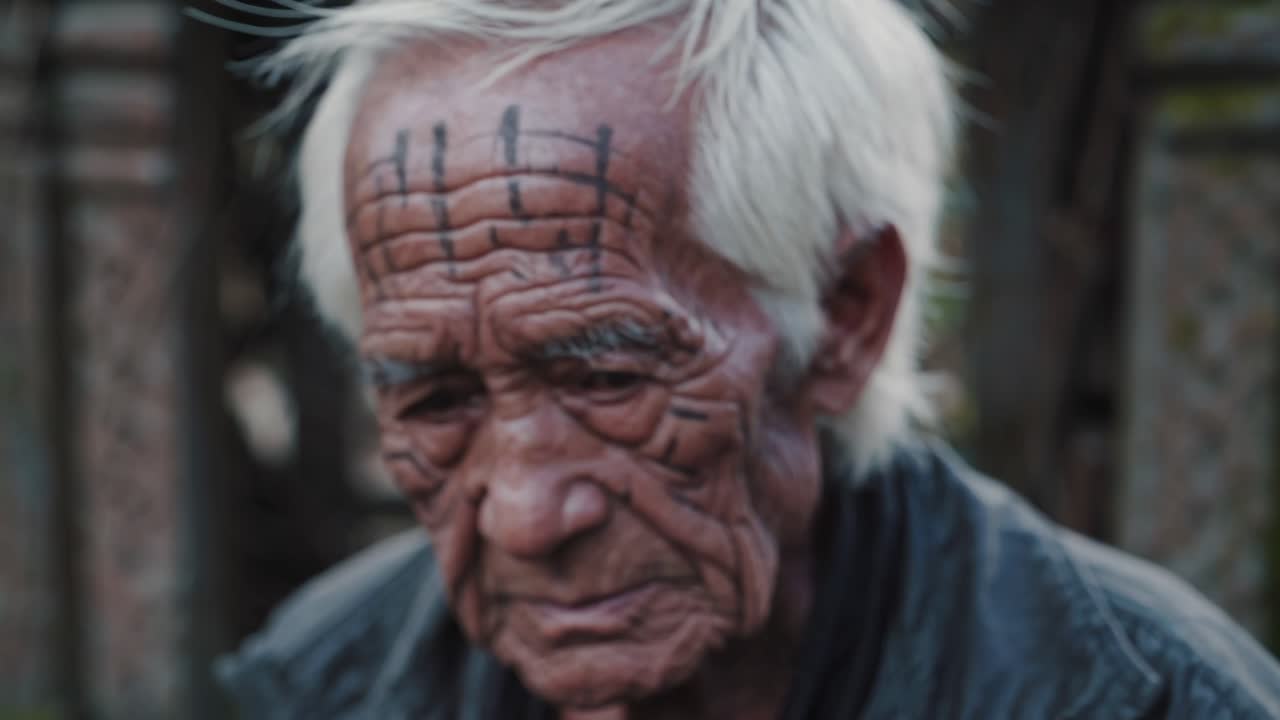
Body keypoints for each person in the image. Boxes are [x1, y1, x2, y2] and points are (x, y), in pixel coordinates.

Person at [217, 1, 1280, 717]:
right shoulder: (324, 686)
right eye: (436, 397)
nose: (526, 515)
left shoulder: (1133, 697)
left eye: (606, 379)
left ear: (844, 314)